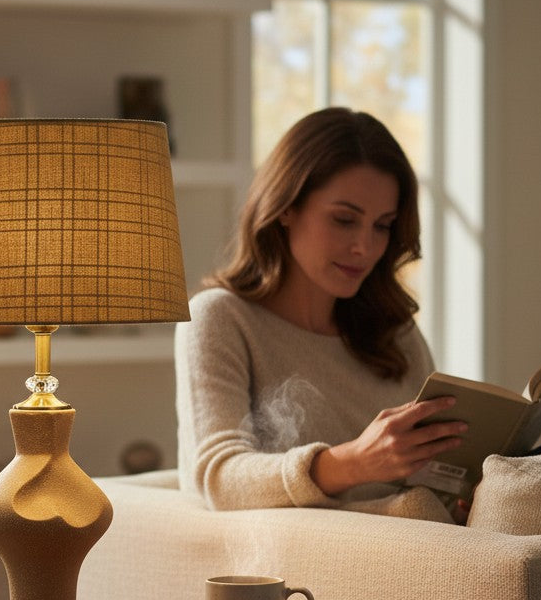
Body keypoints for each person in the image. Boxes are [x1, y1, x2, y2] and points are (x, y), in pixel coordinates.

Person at [176, 107, 467, 522]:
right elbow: (219, 477)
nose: (364, 248)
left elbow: (432, 481)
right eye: (344, 220)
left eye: (382, 226)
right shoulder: (222, 318)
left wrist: (463, 495)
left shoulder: (395, 330)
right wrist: (352, 463)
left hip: (426, 556)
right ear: (286, 208)